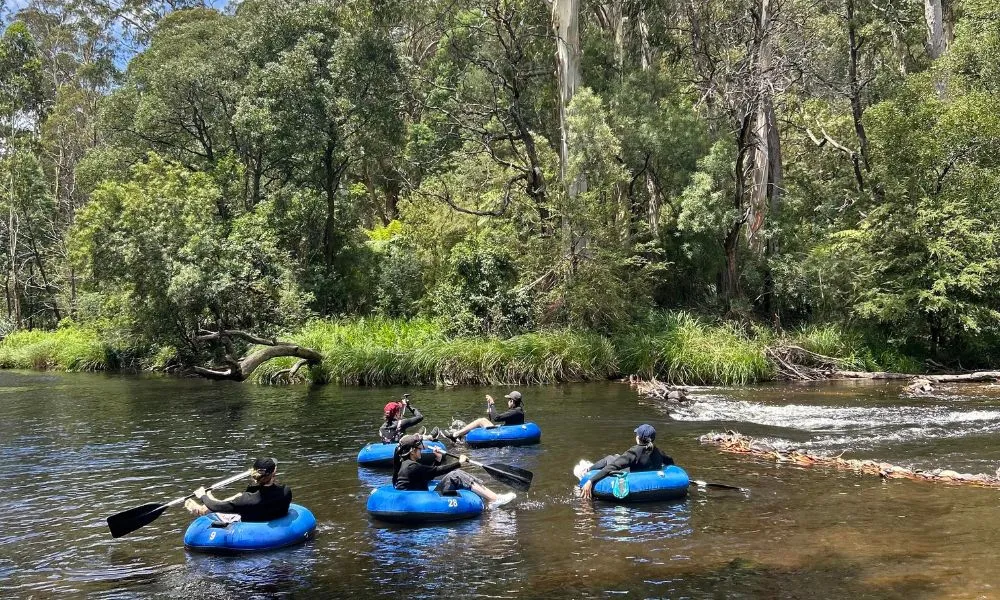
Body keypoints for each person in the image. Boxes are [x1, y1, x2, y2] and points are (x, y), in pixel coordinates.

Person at [392, 434, 516, 508]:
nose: (421, 450)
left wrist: (438, 459)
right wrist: (459, 463)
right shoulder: (412, 466)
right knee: (456, 475)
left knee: (455, 475)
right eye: (419, 448)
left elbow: (427, 475)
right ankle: (494, 499)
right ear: (412, 451)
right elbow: (436, 472)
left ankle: (492, 497)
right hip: (418, 501)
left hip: (416, 497)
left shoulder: (405, 464)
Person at [577, 424, 674, 500]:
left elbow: (612, 467)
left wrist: (590, 481)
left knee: (610, 459)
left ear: (638, 438)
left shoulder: (634, 451)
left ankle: (587, 470)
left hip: (634, 481)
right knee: (617, 457)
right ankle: (590, 468)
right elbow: (670, 461)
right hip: (650, 478)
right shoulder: (658, 451)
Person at [184, 457, 292, 521]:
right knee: (238, 497)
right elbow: (268, 491)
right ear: (274, 473)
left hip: (250, 523)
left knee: (219, 506)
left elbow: (217, 507)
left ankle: (200, 510)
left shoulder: (247, 500)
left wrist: (202, 496)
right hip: (270, 515)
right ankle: (210, 497)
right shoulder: (286, 491)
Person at [442, 391, 525, 442]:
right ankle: (461, 434)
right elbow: (499, 417)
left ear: (512, 401)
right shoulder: (518, 410)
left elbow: (496, 418)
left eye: (508, 400)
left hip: (508, 433)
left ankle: (455, 435)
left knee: (481, 420)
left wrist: (492, 404)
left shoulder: (516, 411)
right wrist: (491, 410)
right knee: (483, 420)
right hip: (509, 430)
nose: (507, 402)